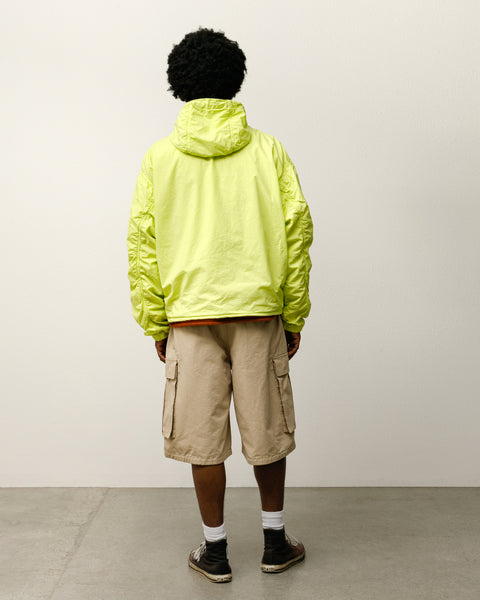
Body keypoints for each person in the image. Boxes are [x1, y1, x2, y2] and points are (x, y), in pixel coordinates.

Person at [127, 27, 313, 584]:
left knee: (203, 439)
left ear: (177, 83)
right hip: (258, 310)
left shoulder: (159, 158)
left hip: (190, 317)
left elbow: (143, 244)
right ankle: (275, 543)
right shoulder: (268, 150)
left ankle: (215, 551)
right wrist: (293, 314)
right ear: (236, 79)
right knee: (267, 429)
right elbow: (297, 232)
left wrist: (155, 322)